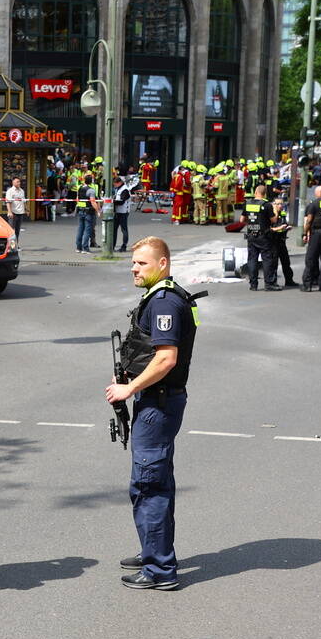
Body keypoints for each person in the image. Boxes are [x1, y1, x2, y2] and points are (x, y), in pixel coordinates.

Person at [106, 236, 197, 591]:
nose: (134, 268)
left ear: (163, 264)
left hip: (157, 403)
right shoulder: (162, 296)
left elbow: (166, 358)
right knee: (156, 480)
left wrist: (129, 388)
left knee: (149, 484)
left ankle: (159, 570)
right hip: (158, 398)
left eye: (142, 263)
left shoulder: (164, 304)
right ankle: (153, 550)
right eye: (133, 263)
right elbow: (149, 351)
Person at [242, 185, 278, 290]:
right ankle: (269, 284)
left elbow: (241, 220)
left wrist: (250, 223)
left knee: (252, 260)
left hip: (251, 235)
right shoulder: (267, 205)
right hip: (263, 236)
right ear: (265, 194)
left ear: (256, 192)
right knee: (267, 259)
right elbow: (274, 220)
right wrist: (275, 210)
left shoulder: (247, 204)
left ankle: (253, 285)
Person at [269, 198, 298, 287]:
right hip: (273, 241)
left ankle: (289, 280)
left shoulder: (283, 213)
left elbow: (283, 224)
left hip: (282, 241)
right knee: (273, 264)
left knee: (286, 262)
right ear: (273, 204)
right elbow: (269, 228)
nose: (280, 206)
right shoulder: (271, 215)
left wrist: (286, 228)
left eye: (282, 204)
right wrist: (279, 228)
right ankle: (273, 282)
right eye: (278, 204)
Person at [75, 172, 96, 253]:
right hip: (88, 212)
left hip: (80, 210)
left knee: (80, 229)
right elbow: (93, 202)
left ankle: (78, 247)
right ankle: (85, 248)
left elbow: (77, 199)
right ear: (91, 181)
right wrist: (98, 210)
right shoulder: (91, 190)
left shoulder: (79, 188)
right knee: (87, 230)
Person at [112, 174, 133, 253]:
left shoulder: (125, 190)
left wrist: (112, 202)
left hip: (124, 212)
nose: (114, 185)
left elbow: (121, 202)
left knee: (124, 229)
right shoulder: (119, 189)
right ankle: (112, 246)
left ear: (119, 183)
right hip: (118, 212)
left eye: (115, 183)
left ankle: (124, 246)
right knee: (114, 229)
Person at [5, 177, 27, 247]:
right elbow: (8, 202)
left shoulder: (22, 191)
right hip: (13, 213)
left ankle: (16, 245)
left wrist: (26, 209)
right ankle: (10, 245)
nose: (19, 183)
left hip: (20, 212)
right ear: (13, 182)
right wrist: (9, 212)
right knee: (11, 231)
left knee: (17, 230)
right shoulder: (10, 191)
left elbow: (23, 201)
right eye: (17, 182)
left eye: (19, 182)